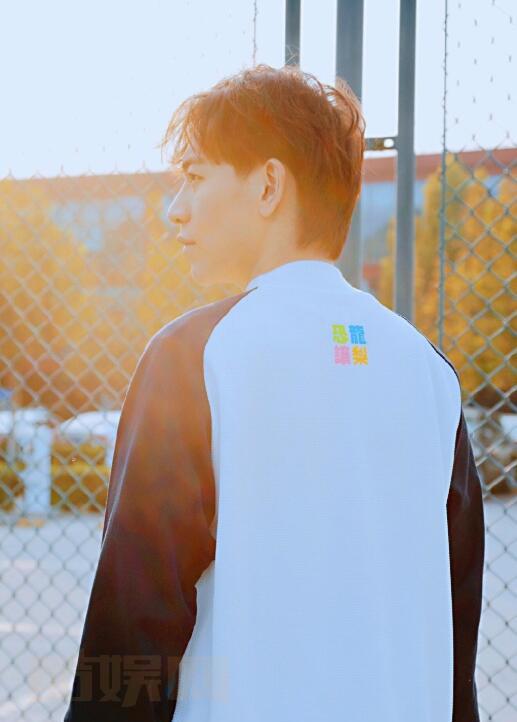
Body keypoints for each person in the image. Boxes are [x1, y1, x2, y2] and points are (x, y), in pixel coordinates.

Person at [63, 63, 485, 721]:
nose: (176, 209)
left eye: (195, 177)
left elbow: (135, 617)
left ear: (267, 186)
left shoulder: (196, 357)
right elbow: (453, 633)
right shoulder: (428, 371)